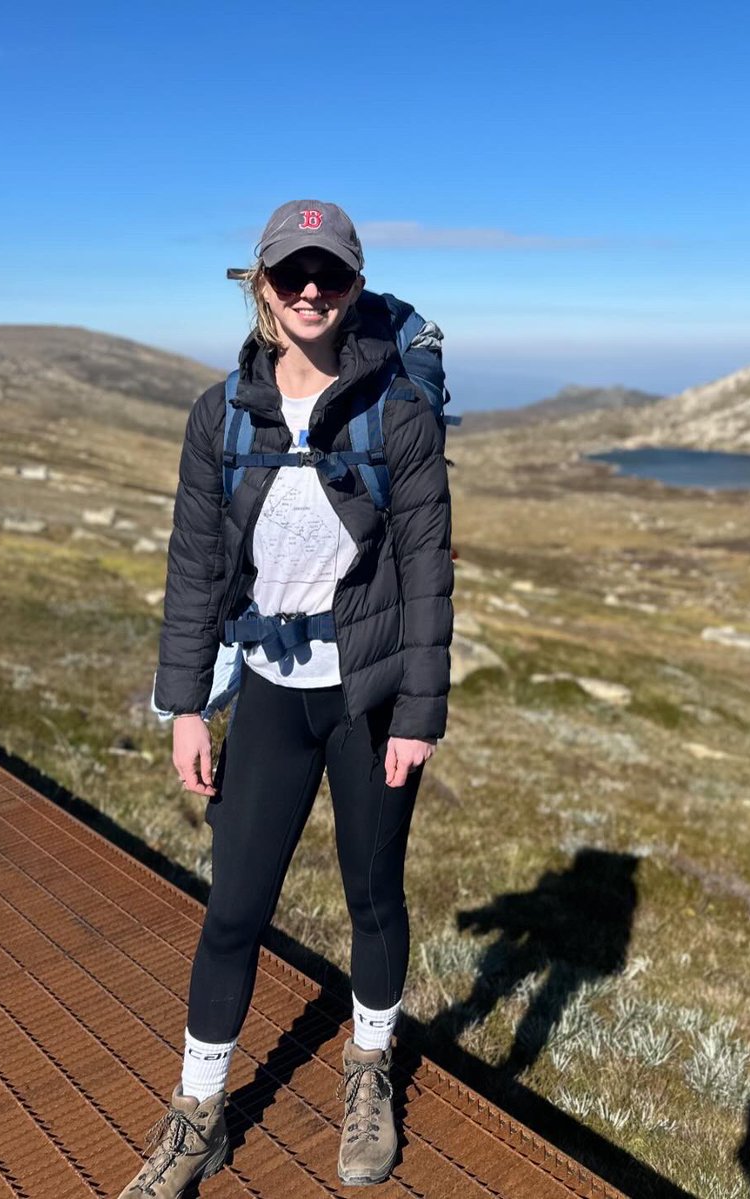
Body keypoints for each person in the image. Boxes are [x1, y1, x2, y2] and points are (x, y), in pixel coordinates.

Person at [120, 199, 453, 1196]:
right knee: (231, 913)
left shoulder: (400, 412)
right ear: (260, 284)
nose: (311, 290)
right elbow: (195, 566)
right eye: (291, 273)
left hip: (370, 697)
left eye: (331, 275)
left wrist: (421, 714)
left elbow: (429, 567)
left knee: (374, 895)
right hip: (268, 691)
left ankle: (368, 1071)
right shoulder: (219, 415)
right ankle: (200, 1115)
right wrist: (186, 703)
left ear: (354, 289)